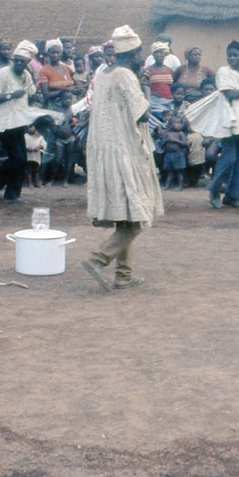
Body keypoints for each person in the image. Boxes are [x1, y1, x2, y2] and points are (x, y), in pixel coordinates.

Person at [80, 25, 164, 291]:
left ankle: (123, 275)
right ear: (134, 53)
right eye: (140, 52)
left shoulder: (103, 73)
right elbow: (142, 114)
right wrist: (147, 88)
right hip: (123, 149)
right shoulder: (126, 76)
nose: (142, 57)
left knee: (125, 215)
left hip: (104, 148)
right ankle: (98, 258)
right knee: (137, 217)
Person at [184, 40, 239, 209]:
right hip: (229, 117)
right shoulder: (223, 72)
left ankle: (233, 197)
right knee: (229, 156)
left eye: (235, 55)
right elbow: (230, 94)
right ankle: (215, 189)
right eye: (229, 55)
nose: (232, 58)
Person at [0, 40, 52, 202]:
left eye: (23, 61)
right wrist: (10, 96)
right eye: (17, 60)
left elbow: (30, 94)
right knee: (18, 158)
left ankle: (12, 195)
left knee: (21, 159)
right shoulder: (2, 74)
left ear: (28, 62)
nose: (19, 63)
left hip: (18, 121)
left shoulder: (26, 74)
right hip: (2, 121)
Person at [38, 38, 83, 112]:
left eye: (57, 52)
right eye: (52, 53)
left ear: (60, 53)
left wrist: (77, 89)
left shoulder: (66, 68)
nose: (55, 55)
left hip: (71, 105)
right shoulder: (44, 71)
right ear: (48, 53)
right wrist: (63, 91)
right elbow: (46, 94)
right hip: (56, 107)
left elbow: (73, 84)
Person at [160, 115, 189, 190]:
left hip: (178, 154)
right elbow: (162, 144)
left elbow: (185, 144)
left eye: (180, 123)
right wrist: (166, 141)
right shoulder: (167, 133)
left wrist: (174, 140)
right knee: (170, 171)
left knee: (179, 171)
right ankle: (167, 185)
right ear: (170, 124)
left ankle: (180, 186)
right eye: (176, 123)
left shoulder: (180, 133)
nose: (179, 125)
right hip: (168, 154)